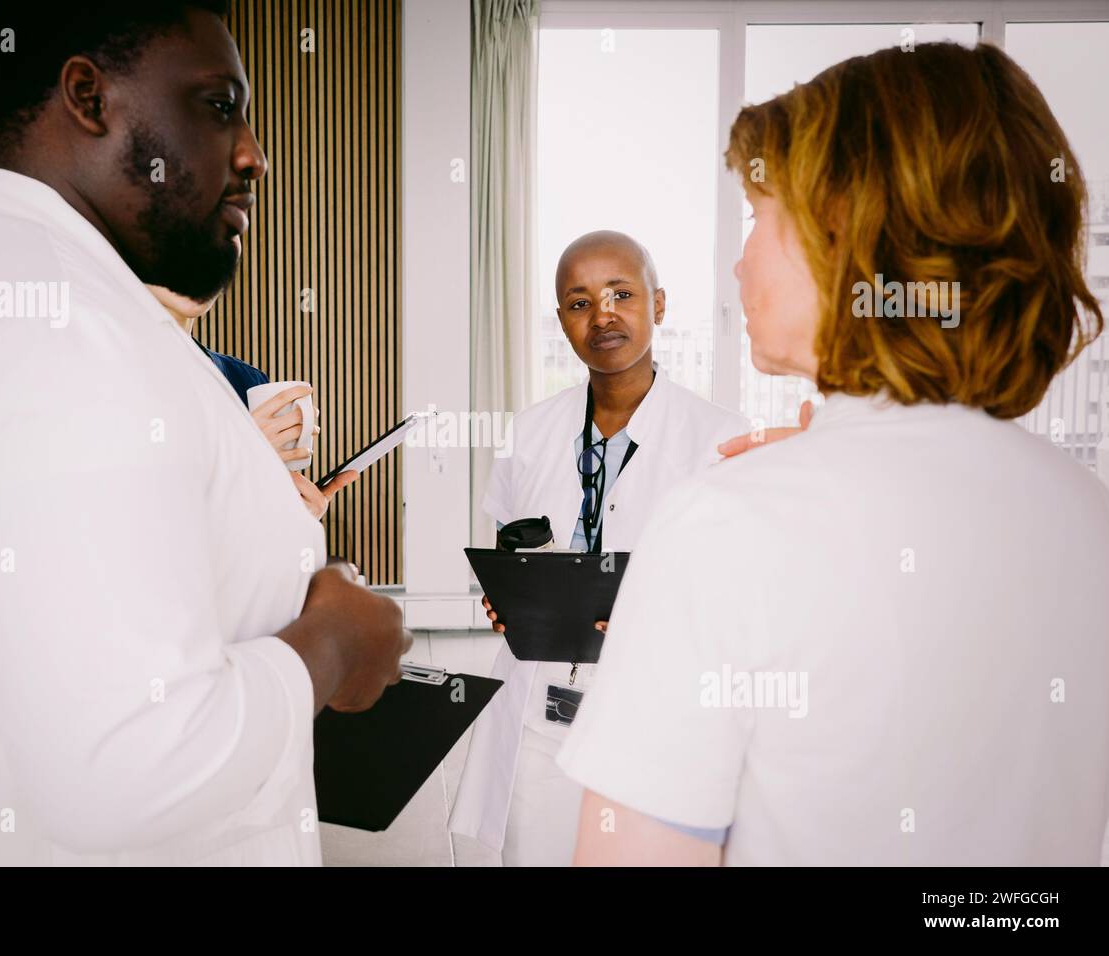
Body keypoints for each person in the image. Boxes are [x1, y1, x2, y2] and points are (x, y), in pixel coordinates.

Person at [0, 0, 409, 865]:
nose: (253, 154)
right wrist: (335, 644)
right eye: (218, 106)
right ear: (88, 97)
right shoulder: (57, 327)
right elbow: (131, 771)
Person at [560, 41, 1109, 866]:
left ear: (845, 227)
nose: (740, 260)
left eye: (759, 215)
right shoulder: (1086, 517)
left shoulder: (727, 526)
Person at [448, 231, 747, 865]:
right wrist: (505, 599)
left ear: (658, 306)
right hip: (541, 716)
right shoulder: (528, 432)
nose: (602, 314)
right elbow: (504, 546)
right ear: (561, 321)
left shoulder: (721, 438)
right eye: (579, 302)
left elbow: (738, 597)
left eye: (621, 294)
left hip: (657, 715)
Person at [146, 283, 357, 520]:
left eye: (226, 242)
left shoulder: (247, 380)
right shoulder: (108, 378)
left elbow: (252, 520)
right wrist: (240, 449)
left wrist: (296, 519)